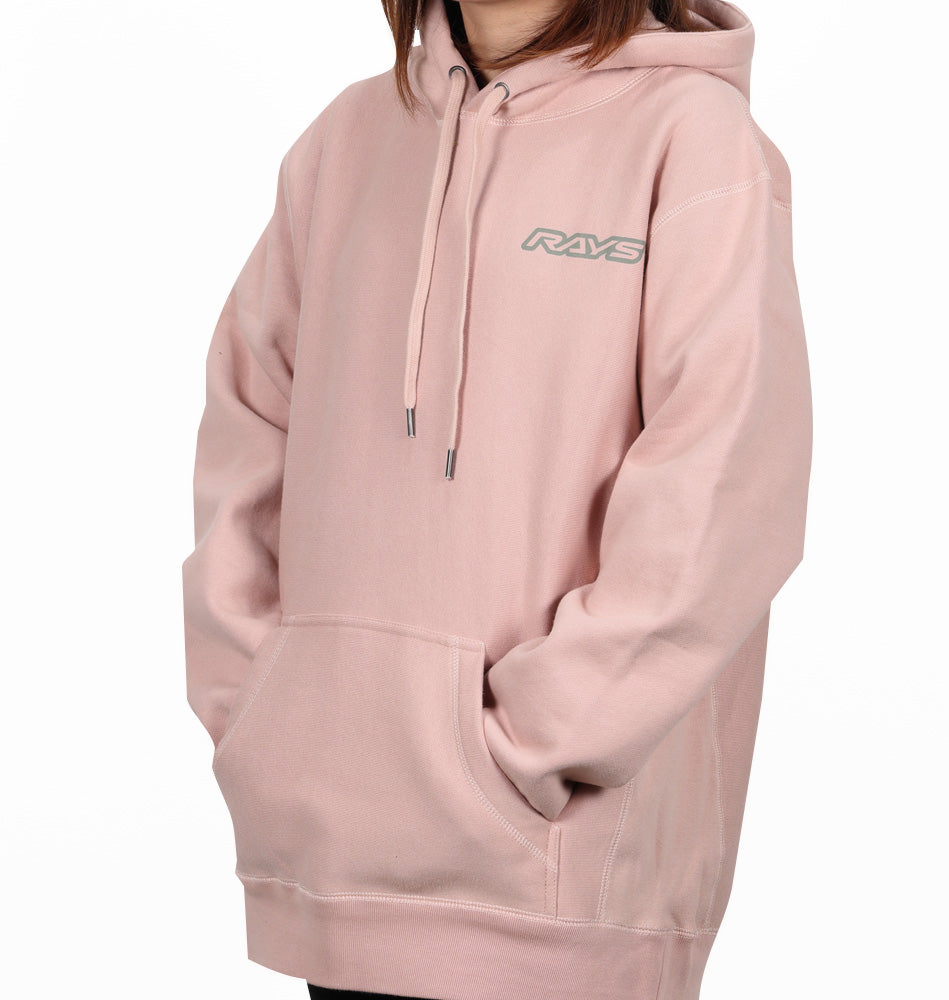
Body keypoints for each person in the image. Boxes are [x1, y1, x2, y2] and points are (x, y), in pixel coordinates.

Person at [180, 0, 813, 997]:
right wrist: (262, 708)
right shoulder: (346, 139)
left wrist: (528, 747)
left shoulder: (691, 138)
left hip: (560, 873)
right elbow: (248, 433)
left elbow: (726, 489)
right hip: (331, 856)